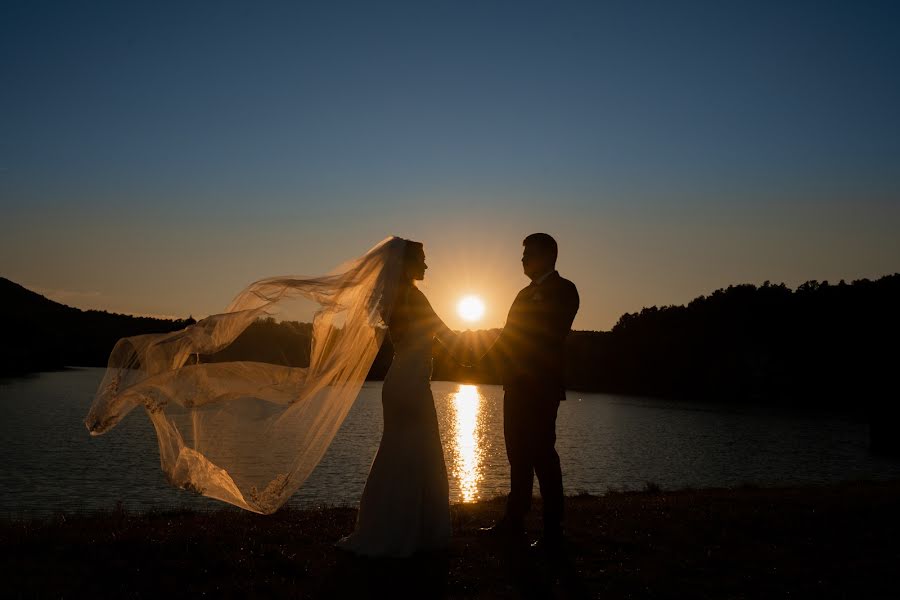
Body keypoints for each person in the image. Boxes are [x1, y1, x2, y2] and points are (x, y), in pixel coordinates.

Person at [336, 240, 463, 557]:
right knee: (415, 454)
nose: (426, 265)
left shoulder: (395, 298)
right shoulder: (415, 299)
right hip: (410, 385)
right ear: (406, 263)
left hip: (398, 382)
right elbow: (451, 341)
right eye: (421, 259)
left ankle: (389, 527)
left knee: (397, 454)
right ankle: (407, 533)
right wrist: (505, 345)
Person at [478, 233, 579, 550]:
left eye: (528, 254)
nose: (522, 259)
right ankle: (514, 520)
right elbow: (507, 336)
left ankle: (552, 531)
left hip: (541, 387)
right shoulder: (522, 295)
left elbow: (551, 333)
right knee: (517, 454)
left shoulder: (564, 290)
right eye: (522, 254)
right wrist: (476, 360)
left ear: (548, 255)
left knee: (542, 454)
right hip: (516, 386)